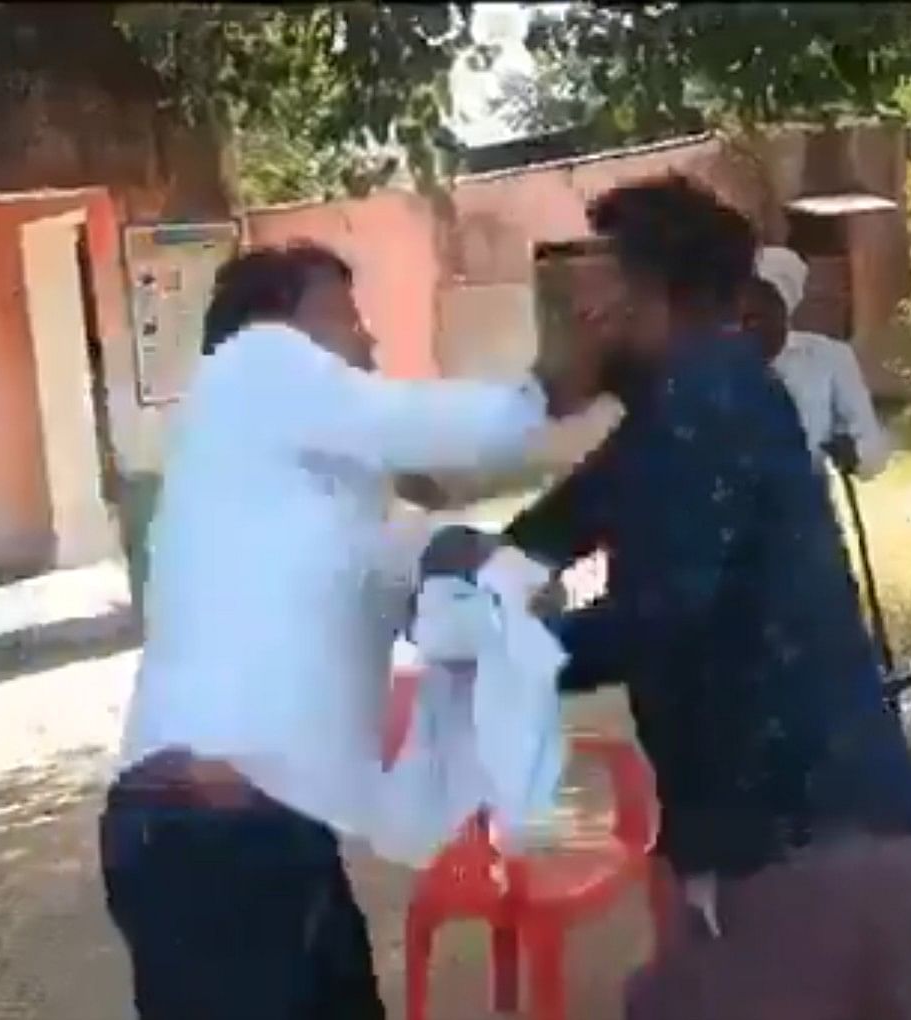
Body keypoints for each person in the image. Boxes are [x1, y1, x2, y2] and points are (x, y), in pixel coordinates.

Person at [100, 242, 596, 1020]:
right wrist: (549, 392)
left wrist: (493, 571)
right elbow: (409, 423)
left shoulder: (303, 499)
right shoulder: (252, 361)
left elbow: (405, 567)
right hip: (206, 820)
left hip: (275, 825)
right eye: (347, 317)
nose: (368, 343)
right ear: (282, 323)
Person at [505, 177, 911, 1020]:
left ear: (642, 292)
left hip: (801, 833)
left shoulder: (705, 403)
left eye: (591, 285)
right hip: (804, 828)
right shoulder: (690, 402)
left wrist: (491, 646)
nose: (573, 314)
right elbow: (563, 519)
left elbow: (659, 617)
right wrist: (460, 567)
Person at [743, 245, 892, 479]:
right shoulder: (711, 360)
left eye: (766, 306)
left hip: (804, 501)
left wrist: (856, 452)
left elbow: (871, 443)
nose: (752, 317)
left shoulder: (829, 357)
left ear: (787, 307)